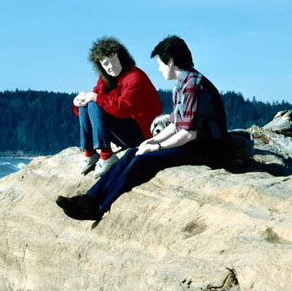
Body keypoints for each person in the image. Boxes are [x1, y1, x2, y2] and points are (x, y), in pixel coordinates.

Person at [57, 35, 230, 221]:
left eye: (160, 63)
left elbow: (188, 133)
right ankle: (89, 198)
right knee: (134, 152)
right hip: (194, 143)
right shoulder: (183, 82)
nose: (159, 68)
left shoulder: (193, 84)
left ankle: (99, 207)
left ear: (171, 61)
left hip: (208, 149)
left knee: (142, 161)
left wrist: (158, 147)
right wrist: (152, 140)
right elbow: (174, 124)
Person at [73, 37, 162, 178]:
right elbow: (93, 105)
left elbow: (123, 109)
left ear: (122, 58)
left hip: (142, 134)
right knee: (88, 104)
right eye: (105, 63)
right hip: (123, 132)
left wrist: (94, 98)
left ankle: (106, 154)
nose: (110, 67)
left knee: (95, 102)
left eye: (113, 61)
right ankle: (90, 153)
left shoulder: (135, 77)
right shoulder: (105, 79)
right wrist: (78, 102)